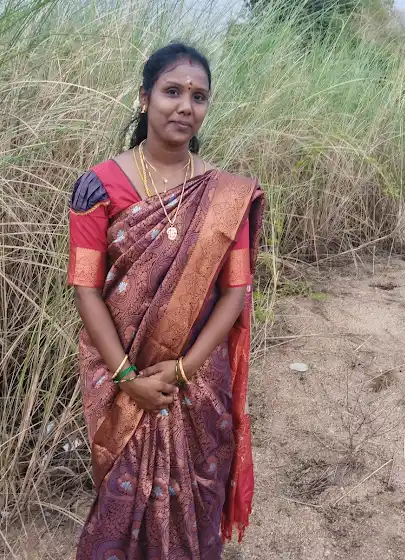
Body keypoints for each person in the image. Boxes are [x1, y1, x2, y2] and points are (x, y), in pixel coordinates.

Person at [68, 42, 264, 560]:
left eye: (198, 97)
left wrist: (181, 370)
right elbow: (85, 288)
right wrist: (127, 378)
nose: (185, 106)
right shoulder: (97, 186)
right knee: (122, 500)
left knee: (195, 495)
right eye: (172, 91)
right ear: (144, 98)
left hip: (196, 380)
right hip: (123, 372)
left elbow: (235, 293)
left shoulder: (226, 195)